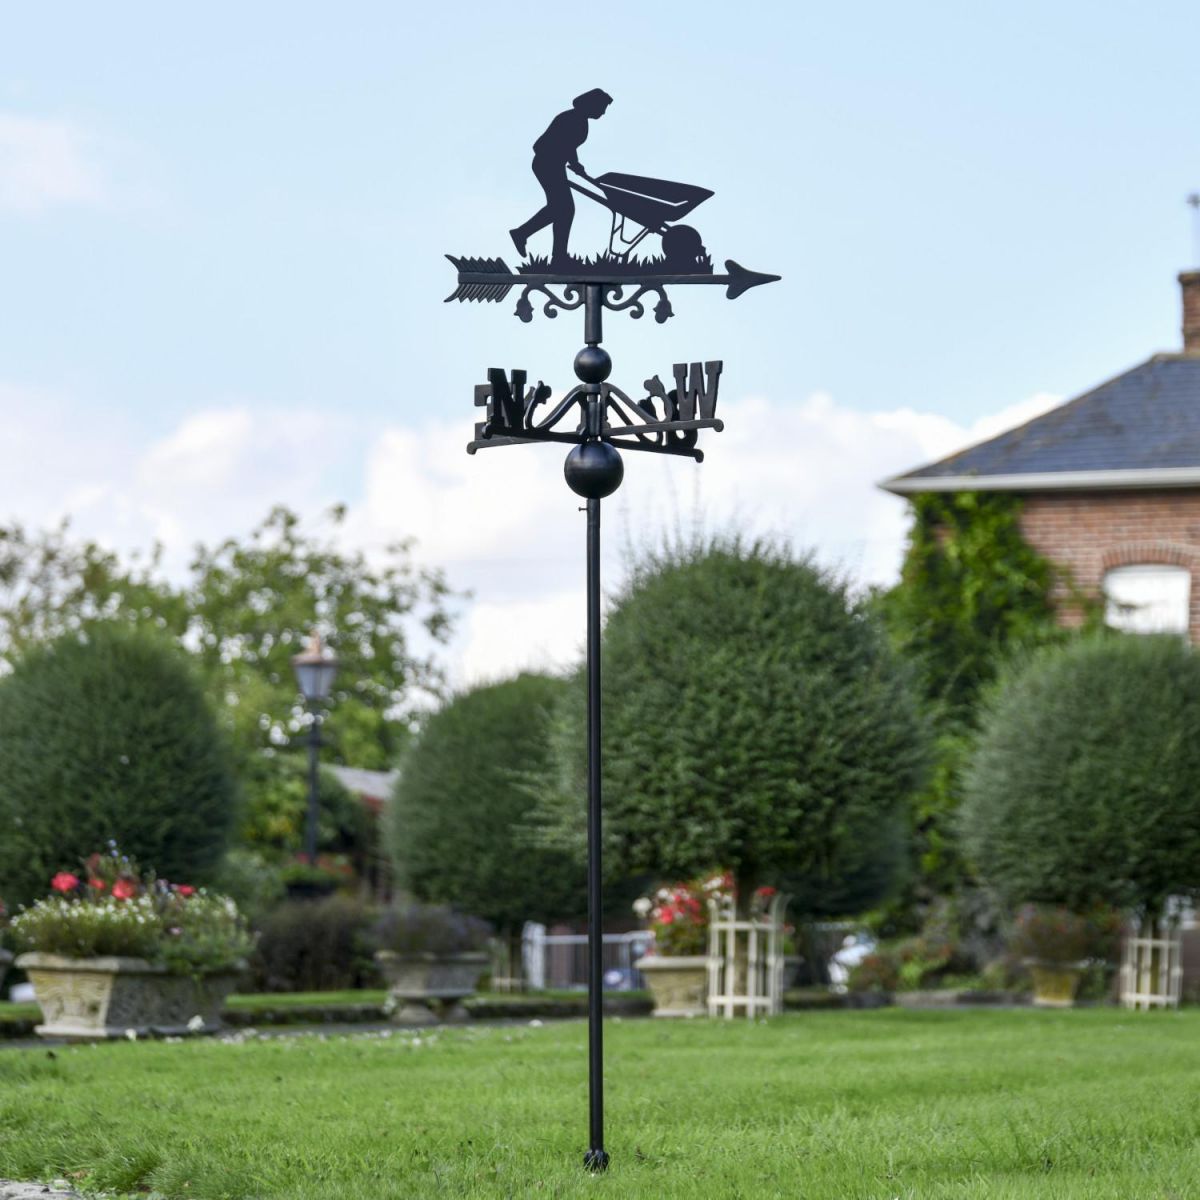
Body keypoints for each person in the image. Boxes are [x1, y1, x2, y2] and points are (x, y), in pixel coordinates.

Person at [510, 89, 613, 267]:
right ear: (592, 104)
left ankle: (537, 242)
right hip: (546, 164)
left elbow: (569, 145)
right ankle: (552, 252)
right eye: (602, 107)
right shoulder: (571, 119)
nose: (603, 112)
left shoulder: (579, 120)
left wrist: (575, 164)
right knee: (564, 209)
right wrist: (573, 163)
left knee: (561, 209)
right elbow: (557, 144)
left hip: (553, 164)